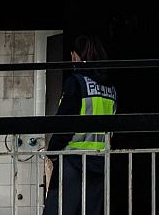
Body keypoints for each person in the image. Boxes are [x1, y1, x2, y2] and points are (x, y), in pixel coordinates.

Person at [43, 36, 117, 215]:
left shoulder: (76, 82)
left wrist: (52, 151)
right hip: (100, 162)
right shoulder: (110, 88)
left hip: (73, 161)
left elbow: (65, 123)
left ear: (76, 56)